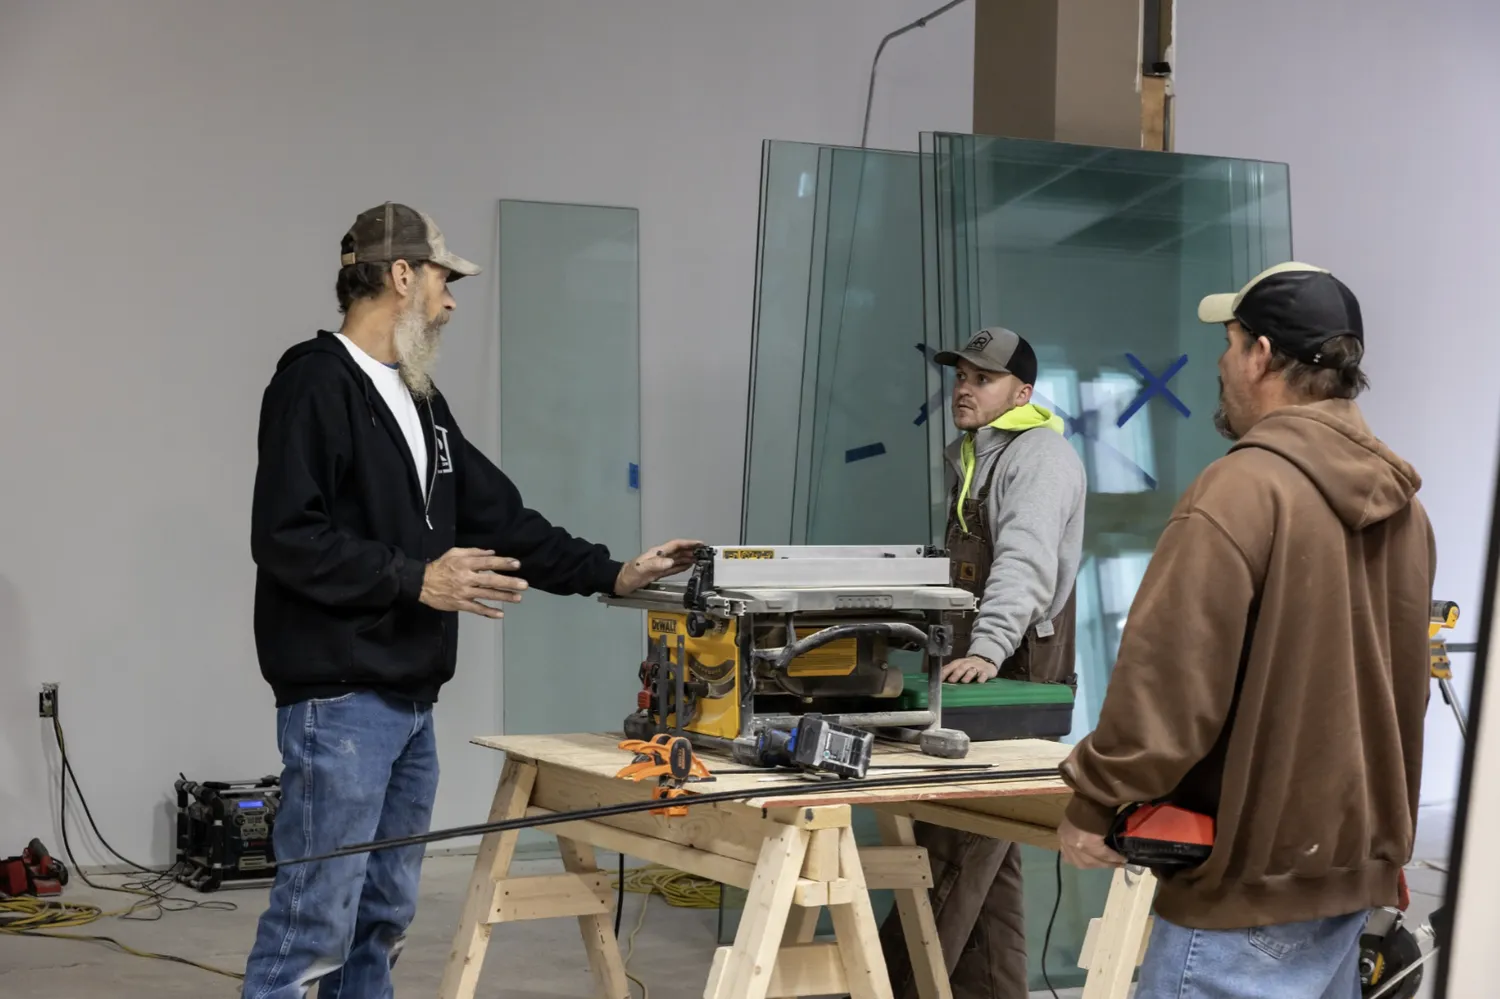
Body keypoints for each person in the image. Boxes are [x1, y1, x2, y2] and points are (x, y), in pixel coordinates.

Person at [242, 202, 698, 999]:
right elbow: (286, 536)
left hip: (410, 701)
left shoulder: (420, 401)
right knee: (313, 922)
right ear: (402, 275)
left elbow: (503, 519)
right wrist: (414, 578)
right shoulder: (314, 383)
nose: (452, 302)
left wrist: (612, 571)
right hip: (340, 700)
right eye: (445, 282)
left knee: (380, 916)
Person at [1057, 263, 1435, 999]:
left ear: (1260, 354)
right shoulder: (1405, 511)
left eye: (1228, 345)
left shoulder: (1240, 489)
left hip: (1243, 893)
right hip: (1349, 883)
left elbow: (1169, 684)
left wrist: (1095, 802)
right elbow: (1403, 695)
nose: (1223, 367)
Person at [879, 327, 1086, 999]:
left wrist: (988, 648)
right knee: (988, 866)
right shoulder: (974, 455)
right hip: (978, 668)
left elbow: (1025, 563)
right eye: (961, 374)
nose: (964, 387)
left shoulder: (1040, 456)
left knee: (949, 847)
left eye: (983, 377)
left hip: (1014, 676)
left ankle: (888, 988)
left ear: (1022, 392)